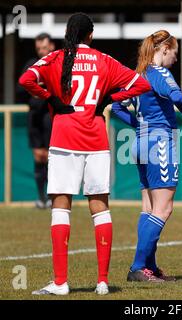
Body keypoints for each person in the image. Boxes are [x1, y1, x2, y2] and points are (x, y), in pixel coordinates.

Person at [19, 12, 151, 295]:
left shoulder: (56, 58)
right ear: (90, 35)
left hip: (64, 135)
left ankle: (60, 283)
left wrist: (51, 98)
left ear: (68, 32)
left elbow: (26, 79)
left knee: (61, 206)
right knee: (100, 207)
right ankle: (102, 282)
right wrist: (108, 98)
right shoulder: (104, 60)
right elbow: (142, 84)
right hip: (95, 137)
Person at [104, 30, 182, 282]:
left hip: (139, 142)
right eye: (174, 53)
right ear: (165, 49)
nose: (175, 59)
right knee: (163, 208)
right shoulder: (158, 73)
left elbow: (115, 107)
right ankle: (138, 267)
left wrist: (137, 124)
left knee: (148, 208)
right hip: (159, 143)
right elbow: (177, 97)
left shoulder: (135, 76)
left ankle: (149, 266)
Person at [17, 33, 55, 209]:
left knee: (51, 157)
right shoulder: (31, 65)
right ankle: (41, 198)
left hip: (50, 116)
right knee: (38, 156)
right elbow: (21, 87)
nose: (41, 51)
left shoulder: (56, 63)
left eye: (44, 47)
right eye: (39, 48)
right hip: (34, 116)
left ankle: (52, 196)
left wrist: (42, 88)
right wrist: (35, 90)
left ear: (51, 46)